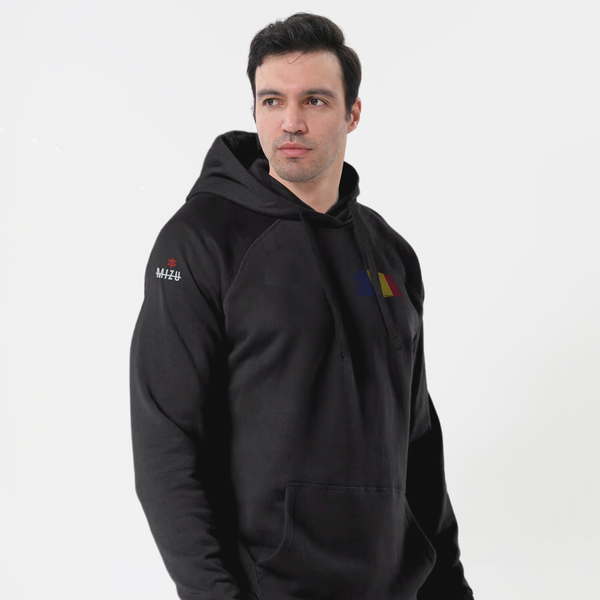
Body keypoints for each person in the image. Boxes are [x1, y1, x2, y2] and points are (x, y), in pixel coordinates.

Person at [130, 12, 474, 600]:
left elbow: (417, 440)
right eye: (272, 101)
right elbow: (167, 446)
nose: (290, 121)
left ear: (353, 113)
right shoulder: (201, 241)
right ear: (255, 110)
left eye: (314, 100)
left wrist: (450, 588)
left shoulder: (390, 255)